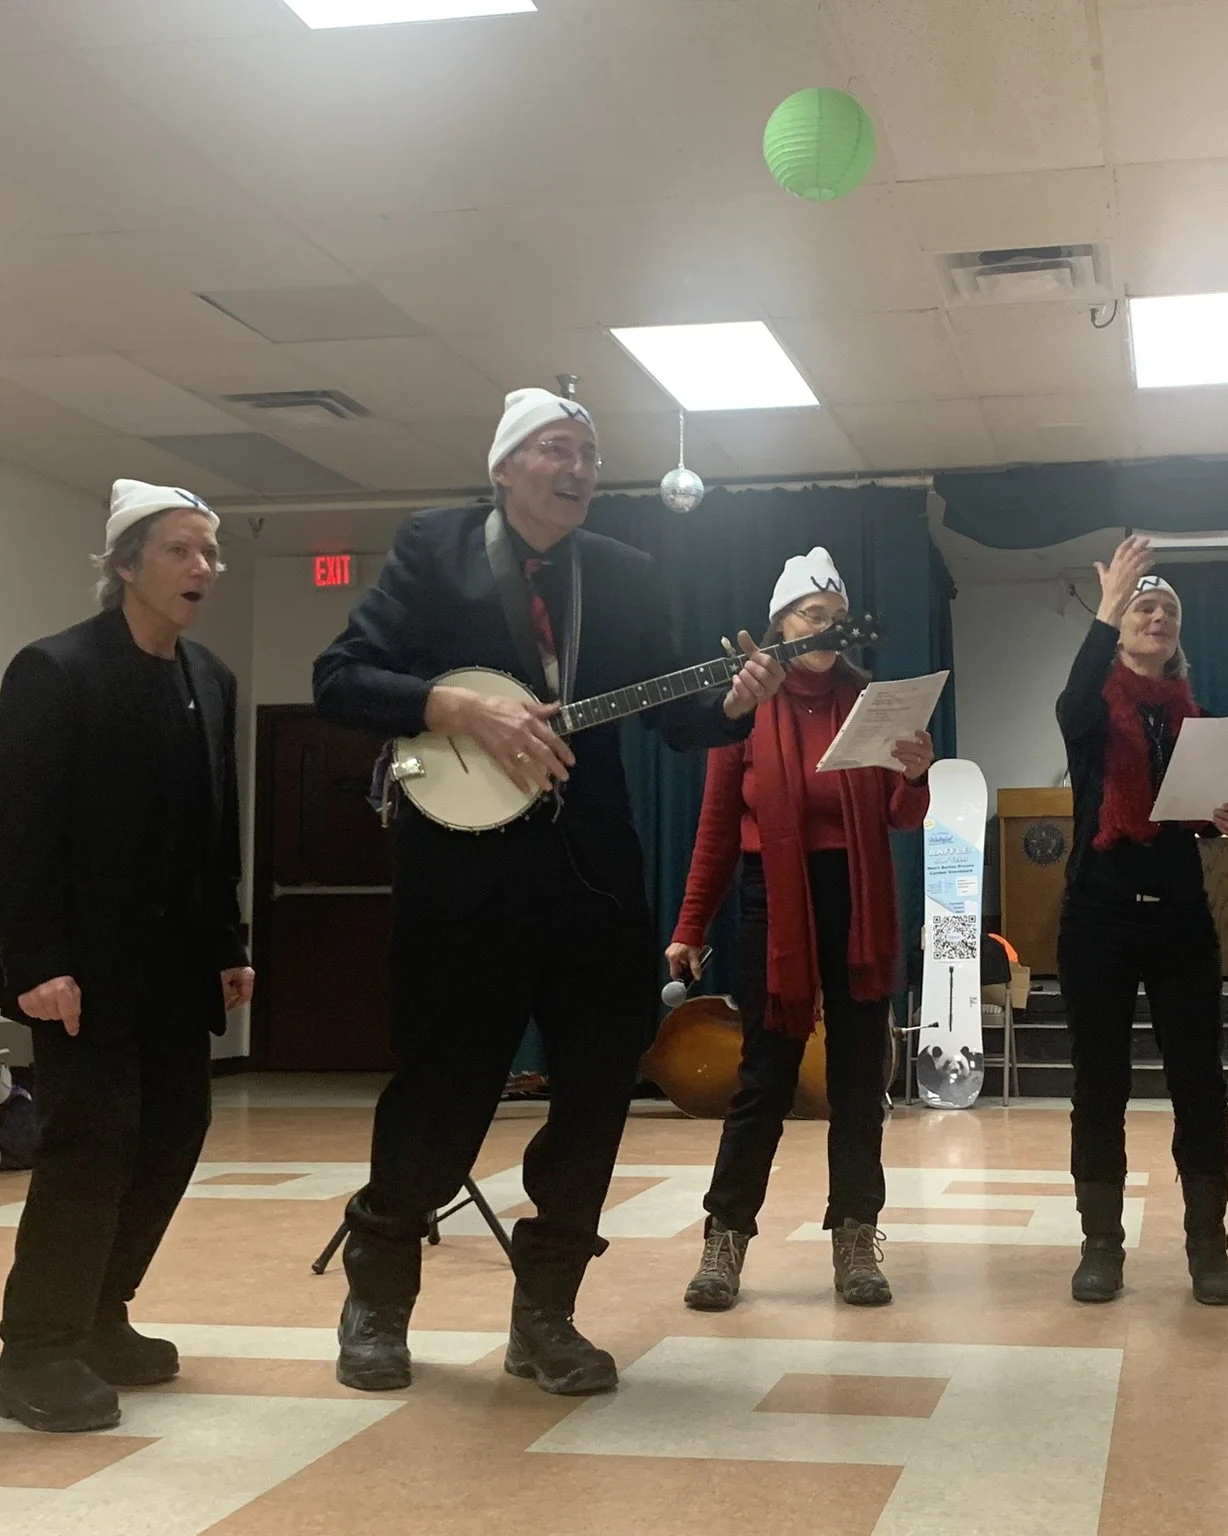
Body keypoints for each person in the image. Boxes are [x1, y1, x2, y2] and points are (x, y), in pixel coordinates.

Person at [314, 388, 784, 1398]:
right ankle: (378, 1294)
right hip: (461, 884)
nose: (579, 468)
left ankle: (547, 1317)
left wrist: (732, 706)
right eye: (557, 449)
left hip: (592, 885)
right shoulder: (430, 550)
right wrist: (448, 703)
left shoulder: (621, 573)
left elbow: (678, 712)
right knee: (440, 1093)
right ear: (504, 467)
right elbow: (340, 679)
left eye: (590, 452)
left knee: (593, 1102)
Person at [0, 479, 253, 1433]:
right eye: (182, 550)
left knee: (174, 1131)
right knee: (89, 1145)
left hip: (175, 967)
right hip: (79, 972)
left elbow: (218, 829)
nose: (203, 568)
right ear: (126, 565)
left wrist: (229, 943)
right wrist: (36, 960)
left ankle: (102, 1312)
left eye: (210, 552)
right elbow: (17, 833)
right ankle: (37, 1349)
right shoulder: (54, 672)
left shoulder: (208, 678)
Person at [667, 548, 933, 1312]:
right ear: (779, 622)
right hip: (769, 899)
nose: (825, 628)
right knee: (764, 1078)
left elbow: (902, 817)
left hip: (857, 897)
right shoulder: (745, 707)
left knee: (858, 1078)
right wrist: (691, 924)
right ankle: (725, 1239)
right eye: (812, 614)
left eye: (835, 618)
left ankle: (855, 1236)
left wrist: (916, 773)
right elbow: (718, 825)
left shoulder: (872, 702)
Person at [1055, 536, 1228, 1307]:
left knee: (1199, 1079)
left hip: (1179, 915)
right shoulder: (1093, 709)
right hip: (1098, 913)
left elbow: (1185, 813)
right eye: (1144, 606)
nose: (1157, 615)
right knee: (1099, 1082)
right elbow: (1069, 705)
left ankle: (1209, 1245)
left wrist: (1216, 816)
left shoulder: (1190, 712)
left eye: (1167, 608)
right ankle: (1101, 1244)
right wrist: (1105, 604)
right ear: (1121, 625)